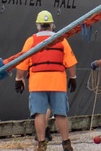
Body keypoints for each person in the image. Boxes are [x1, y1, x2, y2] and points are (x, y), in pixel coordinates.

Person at [14, 10, 77, 151]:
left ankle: (41, 144)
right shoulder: (61, 40)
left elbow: (21, 62)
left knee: (39, 113)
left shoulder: (31, 41)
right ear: (52, 25)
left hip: (37, 82)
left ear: (38, 25)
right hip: (58, 82)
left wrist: (19, 78)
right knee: (61, 113)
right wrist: (73, 78)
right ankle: (66, 143)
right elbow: (71, 63)